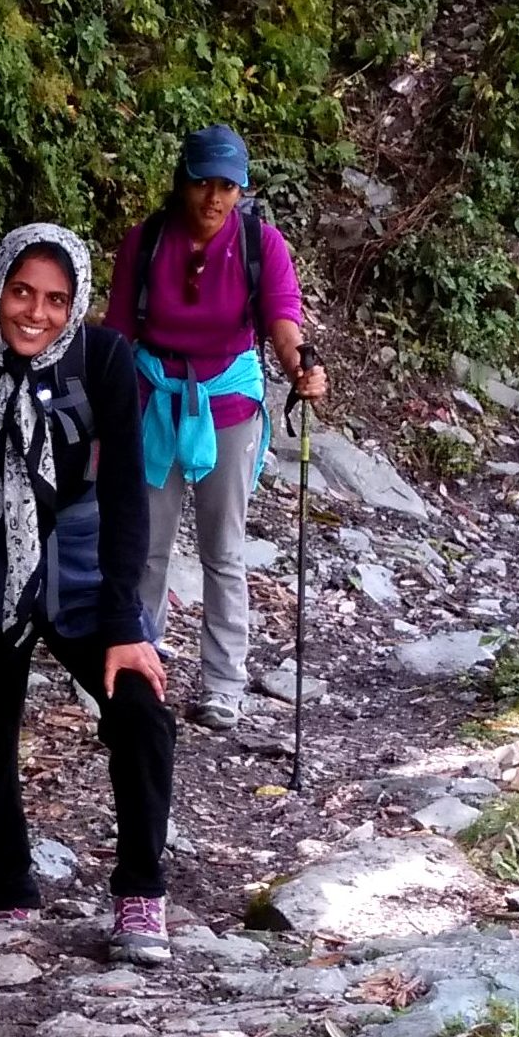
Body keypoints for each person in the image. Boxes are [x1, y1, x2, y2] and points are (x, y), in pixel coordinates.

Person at [0, 223, 178, 966]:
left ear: (75, 303)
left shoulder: (104, 357)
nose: (34, 313)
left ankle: (141, 890)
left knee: (140, 706)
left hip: (78, 548)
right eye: (21, 292)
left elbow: (125, 493)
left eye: (55, 298)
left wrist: (123, 620)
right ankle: (9, 886)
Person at [103, 125, 326, 727]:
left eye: (228, 185)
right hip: (153, 398)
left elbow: (282, 318)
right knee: (145, 547)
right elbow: (118, 331)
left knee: (223, 549)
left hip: (227, 401)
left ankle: (223, 684)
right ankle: (135, 669)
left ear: (241, 190)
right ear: (183, 182)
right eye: (204, 182)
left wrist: (300, 365)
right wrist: (102, 414)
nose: (215, 197)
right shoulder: (146, 241)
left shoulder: (260, 244)